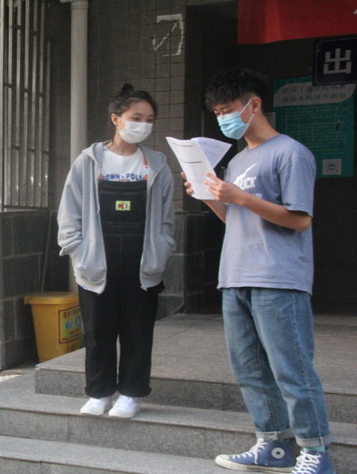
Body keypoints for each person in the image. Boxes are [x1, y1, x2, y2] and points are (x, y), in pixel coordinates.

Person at [183, 68, 334, 474]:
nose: (223, 118)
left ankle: (316, 453)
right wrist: (208, 195)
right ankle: (273, 445)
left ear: (254, 104)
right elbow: (234, 217)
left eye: (228, 109)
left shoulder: (291, 153)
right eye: (217, 112)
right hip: (235, 275)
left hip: (278, 277)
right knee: (249, 370)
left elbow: (300, 220)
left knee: (292, 370)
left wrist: (241, 197)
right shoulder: (237, 161)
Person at [57, 84, 175, 419]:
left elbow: (167, 220)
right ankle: (99, 392)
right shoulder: (89, 161)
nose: (143, 124)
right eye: (136, 117)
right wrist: (79, 252)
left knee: (138, 331)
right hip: (97, 262)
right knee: (98, 332)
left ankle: (132, 394)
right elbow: (69, 212)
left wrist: (161, 250)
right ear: (116, 119)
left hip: (142, 262)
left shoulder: (157, 165)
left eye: (149, 119)